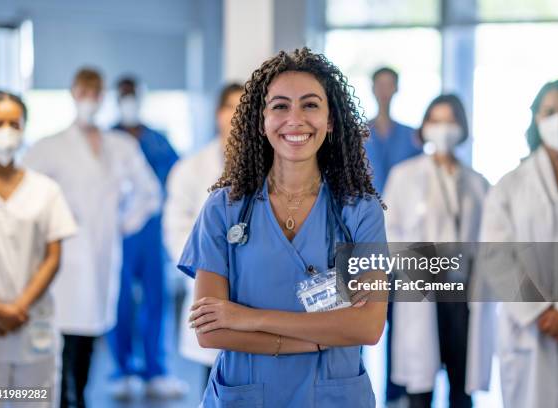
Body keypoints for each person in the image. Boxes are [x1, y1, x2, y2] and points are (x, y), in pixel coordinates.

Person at [176, 48, 388, 408]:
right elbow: (211, 331)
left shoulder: (359, 211)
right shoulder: (225, 209)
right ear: (261, 120)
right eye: (280, 106)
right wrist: (312, 341)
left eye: (310, 105)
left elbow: (367, 326)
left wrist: (247, 318)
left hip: (332, 395)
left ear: (331, 119)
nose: (295, 119)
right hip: (246, 395)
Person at [23, 68, 161, 408]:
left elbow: (149, 193)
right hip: (64, 258)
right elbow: (23, 193)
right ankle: (66, 400)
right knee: (63, 339)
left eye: (96, 92)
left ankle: (77, 397)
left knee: (89, 336)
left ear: (103, 96)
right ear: (72, 94)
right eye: (83, 91)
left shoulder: (120, 145)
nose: (90, 99)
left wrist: (124, 222)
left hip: (103, 254)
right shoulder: (50, 146)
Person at [478, 80, 558, 408]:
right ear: (536, 120)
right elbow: (496, 255)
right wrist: (541, 311)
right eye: (549, 112)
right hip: (528, 329)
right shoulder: (510, 185)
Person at [384, 94, 488, 408]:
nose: (444, 128)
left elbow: (487, 241)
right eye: (436, 120)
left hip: (462, 295)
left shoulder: (477, 183)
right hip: (421, 289)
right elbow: (389, 233)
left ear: (462, 127)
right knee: (420, 388)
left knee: (461, 385)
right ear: (425, 126)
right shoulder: (404, 176)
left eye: (451, 120)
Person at [0, 91, 77, 406]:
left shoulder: (45, 191)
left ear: (24, 128)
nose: (6, 131)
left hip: (32, 327)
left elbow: (53, 256)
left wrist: (17, 309)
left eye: (14, 123)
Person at [107, 75, 185, 400]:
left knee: (156, 300)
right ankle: (122, 370)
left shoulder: (158, 140)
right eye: (123, 95)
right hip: (119, 232)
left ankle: (156, 370)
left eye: (132, 95)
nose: (128, 100)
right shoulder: (107, 139)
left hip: (152, 233)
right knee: (119, 301)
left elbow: (176, 179)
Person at [163, 83, 243, 388]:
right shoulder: (190, 168)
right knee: (213, 384)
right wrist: (213, 270)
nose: (237, 117)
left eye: (245, 108)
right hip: (209, 286)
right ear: (218, 114)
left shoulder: (273, 166)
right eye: (231, 107)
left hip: (257, 300)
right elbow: (177, 231)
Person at [364, 67, 421, 408]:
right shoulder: (357, 135)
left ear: (396, 88)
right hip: (362, 238)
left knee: (398, 316)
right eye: (379, 84)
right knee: (356, 313)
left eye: (390, 84)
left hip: (399, 240)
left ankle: (394, 393)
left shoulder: (412, 137)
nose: (385, 90)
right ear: (372, 88)